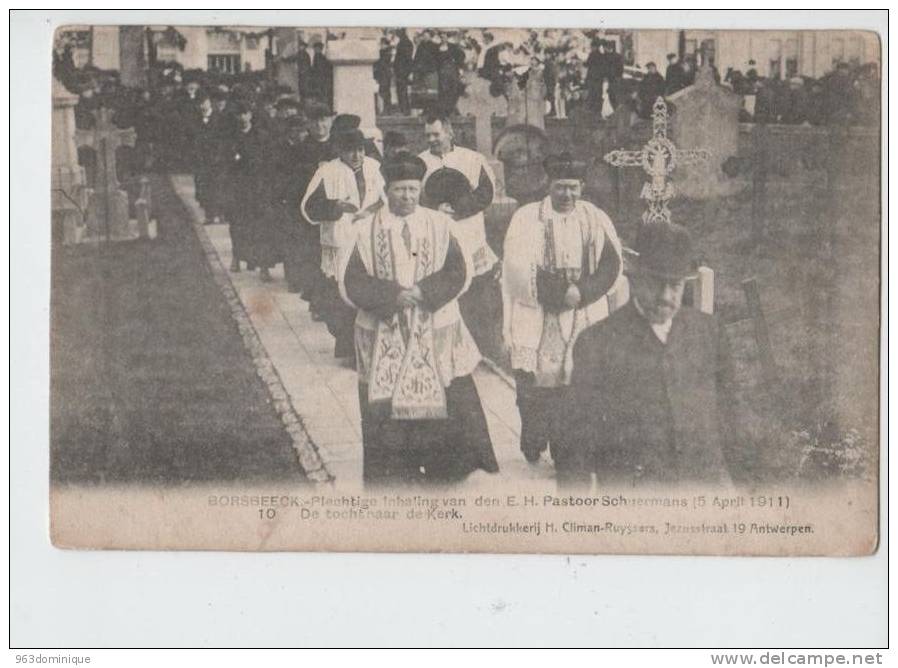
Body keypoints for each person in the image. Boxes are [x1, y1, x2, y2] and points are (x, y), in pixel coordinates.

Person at [341, 152, 499, 485]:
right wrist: (392, 296)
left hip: (435, 321)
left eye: (413, 190)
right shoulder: (363, 229)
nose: (408, 197)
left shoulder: (441, 224)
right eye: (400, 190)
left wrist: (425, 292)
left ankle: (446, 469)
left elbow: (459, 270)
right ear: (387, 190)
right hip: (385, 325)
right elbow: (350, 279)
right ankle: (395, 472)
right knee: (386, 400)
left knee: (448, 391)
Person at [557, 222, 737, 488]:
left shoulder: (709, 333)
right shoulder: (597, 343)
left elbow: (731, 414)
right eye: (655, 283)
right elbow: (574, 444)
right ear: (635, 278)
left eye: (675, 285)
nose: (665, 296)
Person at [502, 153, 623, 464]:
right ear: (549, 185)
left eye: (572, 187)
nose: (566, 194)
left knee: (575, 385)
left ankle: (566, 446)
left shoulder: (595, 218)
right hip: (538, 311)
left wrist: (582, 292)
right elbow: (516, 267)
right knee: (534, 388)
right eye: (560, 187)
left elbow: (611, 264)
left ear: (582, 186)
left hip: (581, 311)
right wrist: (559, 293)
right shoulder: (527, 218)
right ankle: (534, 436)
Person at [301, 128, 385, 359]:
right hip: (340, 240)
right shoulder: (327, 172)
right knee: (341, 296)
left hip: (368, 237)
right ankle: (348, 347)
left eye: (360, 150)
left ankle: (369, 348)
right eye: (351, 151)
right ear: (340, 151)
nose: (357, 156)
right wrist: (336, 206)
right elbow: (309, 207)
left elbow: (385, 198)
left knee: (367, 291)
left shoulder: (374, 168)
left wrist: (370, 209)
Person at [222, 99, 270, 278]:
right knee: (237, 223)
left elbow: (265, 160)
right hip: (237, 186)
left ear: (251, 115)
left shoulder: (261, 136)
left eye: (246, 113)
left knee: (260, 224)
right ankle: (237, 256)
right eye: (239, 114)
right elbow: (226, 160)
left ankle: (263, 265)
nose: (243, 117)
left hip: (257, 186)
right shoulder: (232, 136)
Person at [393, 28, 414, 115]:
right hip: (401, 70)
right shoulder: (404, 42)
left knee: (402, 91)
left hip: (402, 71)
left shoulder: (405, 43)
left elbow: (407, 59)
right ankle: (404, 109)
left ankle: (404, 110)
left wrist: (407, 71)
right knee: (401, 91)